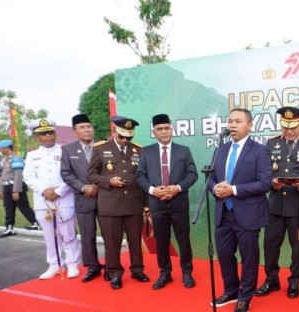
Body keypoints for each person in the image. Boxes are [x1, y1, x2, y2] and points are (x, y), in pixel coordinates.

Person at [207, 108, 272, 312]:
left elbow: (265, 183)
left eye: (238, 121)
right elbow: (210, 178)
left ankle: (245, 297)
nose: (232, 125)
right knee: (224, 255)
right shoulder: (221, 149)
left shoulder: (259, 150)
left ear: (250, 125)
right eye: (230, 121)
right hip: (223, 213)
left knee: (249, 258)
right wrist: (215, 188)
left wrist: (233, 190)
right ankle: (231, 291)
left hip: (248, 214)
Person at [257, 107, 299, 299]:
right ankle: (271, 280)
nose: (289, 131)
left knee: (298, 246)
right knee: (270, 244)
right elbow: (265, 171)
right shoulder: (272, 143)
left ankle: (294, 281)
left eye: (293, 127)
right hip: (275, 204)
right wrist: (271, 182)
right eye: (285, 127)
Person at [136, 113, 199, 290]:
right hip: (157, 203)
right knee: (162, 241)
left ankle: (187, 272)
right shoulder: (146, 152)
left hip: (179, 202)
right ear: (154, 132)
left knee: (183, 239)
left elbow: (192, 174)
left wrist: (177, 188)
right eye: (159, 129)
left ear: (172, 129)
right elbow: (140, 176)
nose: (163, 132)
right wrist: (153, 190)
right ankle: (165, 273)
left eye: (166, 128)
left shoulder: (183, 150)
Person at [87, 115, 149, 290]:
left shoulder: (139, 150)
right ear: (114, 131)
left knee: (135, 242)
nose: (124, 141)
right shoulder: (100, 149)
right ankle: (114, 273)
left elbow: (144, 178)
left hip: (133, 203)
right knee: (112, 243)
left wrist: (146, 205)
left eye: (129, 137)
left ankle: (137, 270)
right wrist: (109, 181)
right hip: (110, 204)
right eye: (122, 136)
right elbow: (91, 175)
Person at [23, 119, 81, 279]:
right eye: (43, 134)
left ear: (55, 133)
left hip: (64, 199)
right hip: (43, 201)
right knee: (50, 236)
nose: (48, 136)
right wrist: (44, 191)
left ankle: (72, 264)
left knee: (68, 234)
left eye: (50, 132)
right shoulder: (32, 155)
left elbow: (72, 174)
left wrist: (59, 191)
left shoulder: (65, 151)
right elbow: (28, 177)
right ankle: (55, 264)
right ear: (36, 137)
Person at [60, 114, 107, 282]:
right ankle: (93, 266)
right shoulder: (68, 150)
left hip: (105, 197)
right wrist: (84, 187)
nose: (86, 130)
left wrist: (98, 186)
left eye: (89, 126)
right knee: (87, 235)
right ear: (74, 132)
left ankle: (112, 266)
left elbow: (111, 170)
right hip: (83, 198)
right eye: (82, 127)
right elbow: (66, 173)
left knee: (109, 233)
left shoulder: (104, 145)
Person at [0, 139, 40, 238]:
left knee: (23, 207)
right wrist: (1, 189)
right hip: (7, 187)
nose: (0, 151)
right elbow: (4, 176)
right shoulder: (5, 160)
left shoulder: (16, 159)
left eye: (0, 149)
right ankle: (9, 228)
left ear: (6, 148)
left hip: (16, 186)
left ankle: (36, 224)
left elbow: (18, 176)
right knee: (8, 208)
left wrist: (16, 190)